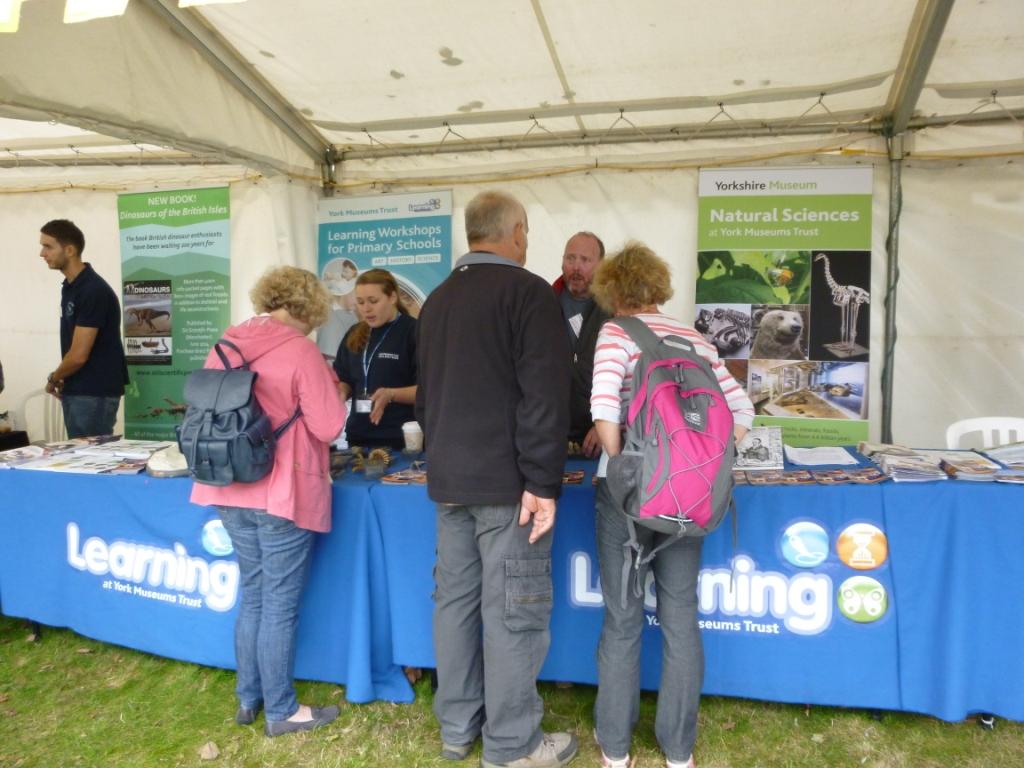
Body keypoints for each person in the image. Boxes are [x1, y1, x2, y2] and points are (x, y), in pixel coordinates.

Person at [416, 190, 576, 768]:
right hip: (510, 488)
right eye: (527, 234)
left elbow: (428, 398)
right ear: (514, 232)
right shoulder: (528, 293)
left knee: (454, 607)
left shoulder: (436, 300)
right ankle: (512, 746)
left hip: (450, 482)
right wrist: (542, 481)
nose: (527, 244)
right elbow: (545, 397)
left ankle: (457, 729)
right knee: (514, 612)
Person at [589, 242, 754, 768]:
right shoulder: (693, 338)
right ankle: (678, 748)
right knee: (681, 616)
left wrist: (626, 471)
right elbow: (742, 410)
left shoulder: (616, 333)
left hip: (629, 499)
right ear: (658, 287)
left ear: (612, 291)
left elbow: (602, 410)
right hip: (689, 499)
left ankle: (615, 747)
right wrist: (709, 466)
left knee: (622, 617)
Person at [189, 266, 347, 738]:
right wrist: (335, 391)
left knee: (254, 594)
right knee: (278, 604)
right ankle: (281, 710)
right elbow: (329, 427)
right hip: (281, 489)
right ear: (309, 307)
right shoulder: (301, 352)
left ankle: (248, 698)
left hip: (226, 484)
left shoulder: (226, 343)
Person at [39, 219, 129, 438]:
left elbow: (79, 355)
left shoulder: (92, 290)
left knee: (87, 462)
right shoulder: (71, 287)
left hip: (93, 392)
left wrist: (54, 378)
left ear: (70, 250)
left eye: (48, 246)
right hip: (79, 389)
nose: (42, 253)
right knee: (77, 458)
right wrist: (62, 377)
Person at [333, 269, 417, 449]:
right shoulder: (354, 333)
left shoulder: (414, 332)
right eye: (360, 302)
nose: (366, 308)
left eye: (373, 301)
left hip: (401, 438)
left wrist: (391, 394)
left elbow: (429, 390)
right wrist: (340, 392)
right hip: (359, 437)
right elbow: (344, 378)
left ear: (392, 297)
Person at [552, 231, 610, 458]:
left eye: (585, 260)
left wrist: (606, 424)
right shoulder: (541, 304)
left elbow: (632, 376)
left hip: (602, 438)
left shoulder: (617, 309)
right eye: (570, 258)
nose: (576, 267)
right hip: (552, 437)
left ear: (601, 265)